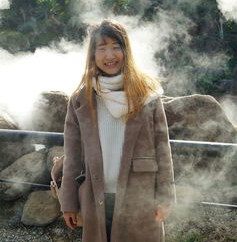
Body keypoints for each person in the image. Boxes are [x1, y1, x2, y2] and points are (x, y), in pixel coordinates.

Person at [59, 19, 176, 242]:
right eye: (101, 48)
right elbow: (72, 156)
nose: (109, 55)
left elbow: (163, 150)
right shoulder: (81, 100)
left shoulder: (147, 95)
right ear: (93, 54)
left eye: (115, 47)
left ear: (126, 50)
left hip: (140, 198)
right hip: (95, 198)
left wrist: (165, 197)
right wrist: (68, 203)